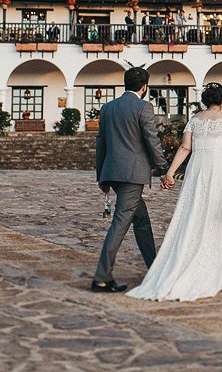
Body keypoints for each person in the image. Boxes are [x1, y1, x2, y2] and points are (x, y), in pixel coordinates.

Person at [127, 82, 222, 301]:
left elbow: (185, 148)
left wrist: (170, 173)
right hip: (219, 169)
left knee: (195, 211)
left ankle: (205, 264)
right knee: (221, 215)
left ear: (204, 100)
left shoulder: (195, 120)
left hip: (197, 168)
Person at [92, 67, 170, 293]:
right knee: (120, 222)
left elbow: (100, 143)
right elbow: (152, 140)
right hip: (132, 175)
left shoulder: (108, 108)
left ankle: (154, 267)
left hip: (113, 174)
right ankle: (102, 276)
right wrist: (163, 167)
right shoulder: (144, 107)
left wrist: (102, 176)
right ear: (144, 87)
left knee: (142, 220)